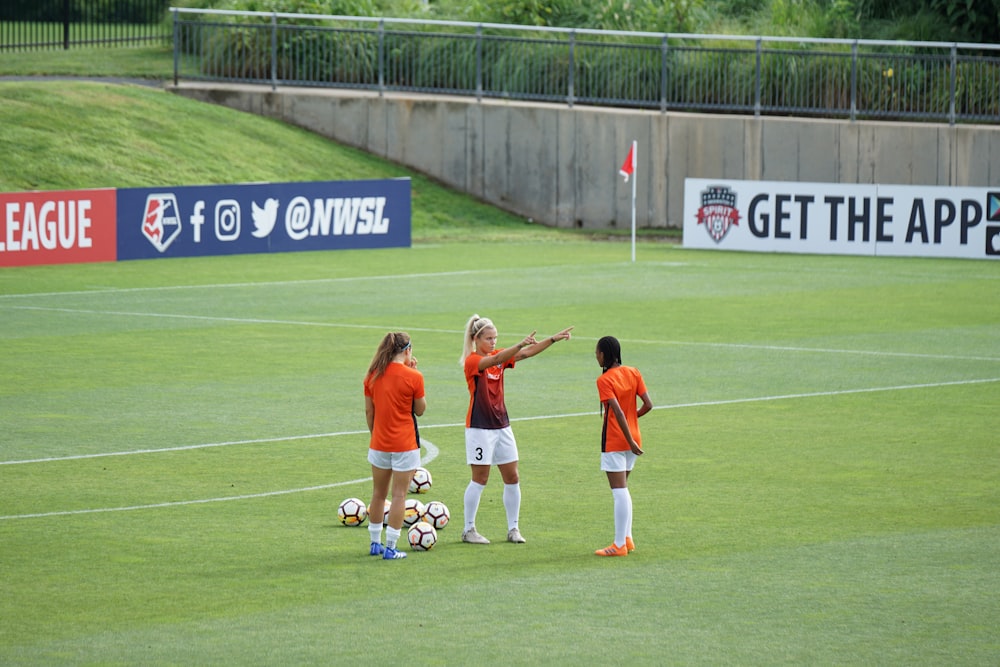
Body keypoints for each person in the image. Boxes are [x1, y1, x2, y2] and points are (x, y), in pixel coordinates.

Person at [459, 314, 573, 544]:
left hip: (502, 426)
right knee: (480, 479)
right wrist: (518, 344)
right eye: (489, 338)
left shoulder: (499, 355)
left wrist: (552, 339)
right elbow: (496, 359)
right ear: (476, 339)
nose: (493, 342)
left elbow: (526, 353)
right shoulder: (473, 361)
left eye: (495, 338)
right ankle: (468, 529)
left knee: (512, 477)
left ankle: (513, 529)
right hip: (480, 428)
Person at [363, 332, 426, 560]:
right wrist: (415, 372)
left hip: (379, 443)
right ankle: (391, 547)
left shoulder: (372, 375)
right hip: (405, 444)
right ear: (407, 350)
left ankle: (374, 543)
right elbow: (420, 410)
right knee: (399, 495)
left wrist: (375, 436)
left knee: (378, 494)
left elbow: (369, 412)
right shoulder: (413, 376)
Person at [593, 335, 652, 557]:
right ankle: (627, 538)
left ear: (604, 355)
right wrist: (633, 422)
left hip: (616, 441)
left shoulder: (605, 380)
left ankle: (619, 545)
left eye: (597, 353)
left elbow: (617, 412)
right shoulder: (633, 372)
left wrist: (627, 438)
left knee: (619, 491)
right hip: (633, 437)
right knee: (624, 489)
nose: (596, 357)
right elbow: (648, 404)